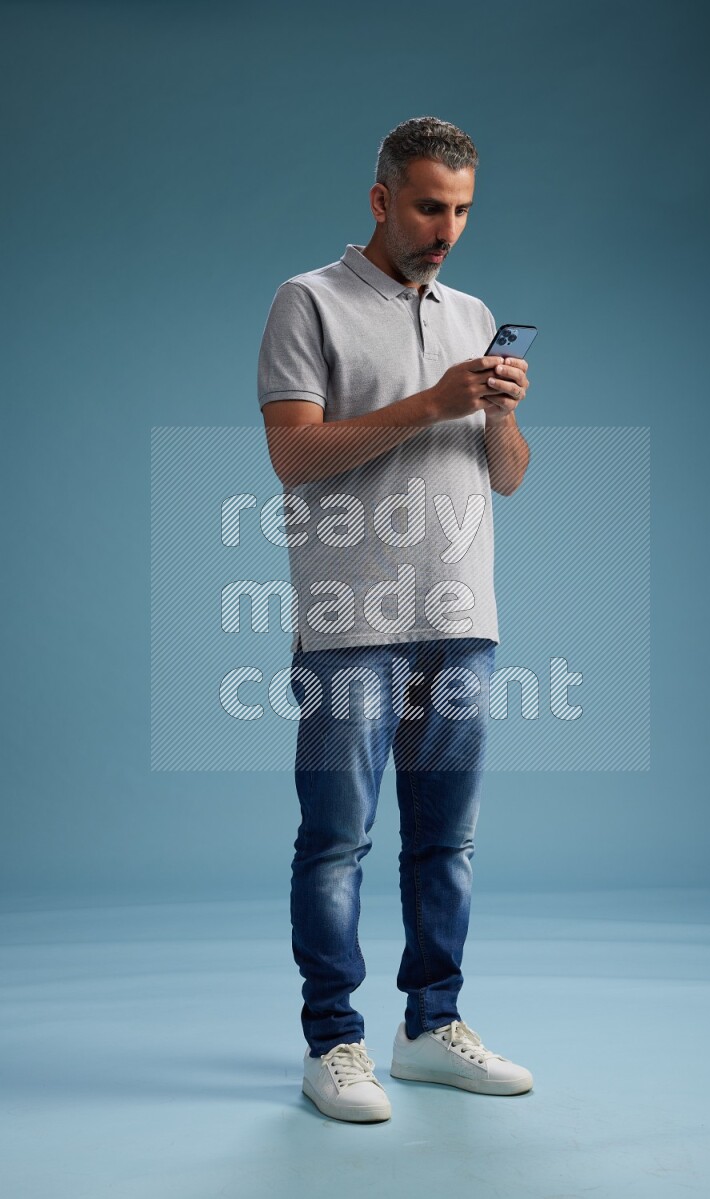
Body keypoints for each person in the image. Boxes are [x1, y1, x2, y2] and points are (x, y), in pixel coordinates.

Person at [257, 116, 533, 1123]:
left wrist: (496, 412)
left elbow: (504, 478)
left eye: (459, 208)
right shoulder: (308, 303)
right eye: (426, 205)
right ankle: (333, 1041)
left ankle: (429, 1027)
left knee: (445, 842)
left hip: (461, 613)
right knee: (337, 840)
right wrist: (427, 402)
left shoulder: (471, 313)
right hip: (350, 618)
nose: (444, 228)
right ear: (380, 201)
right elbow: (294, 456)